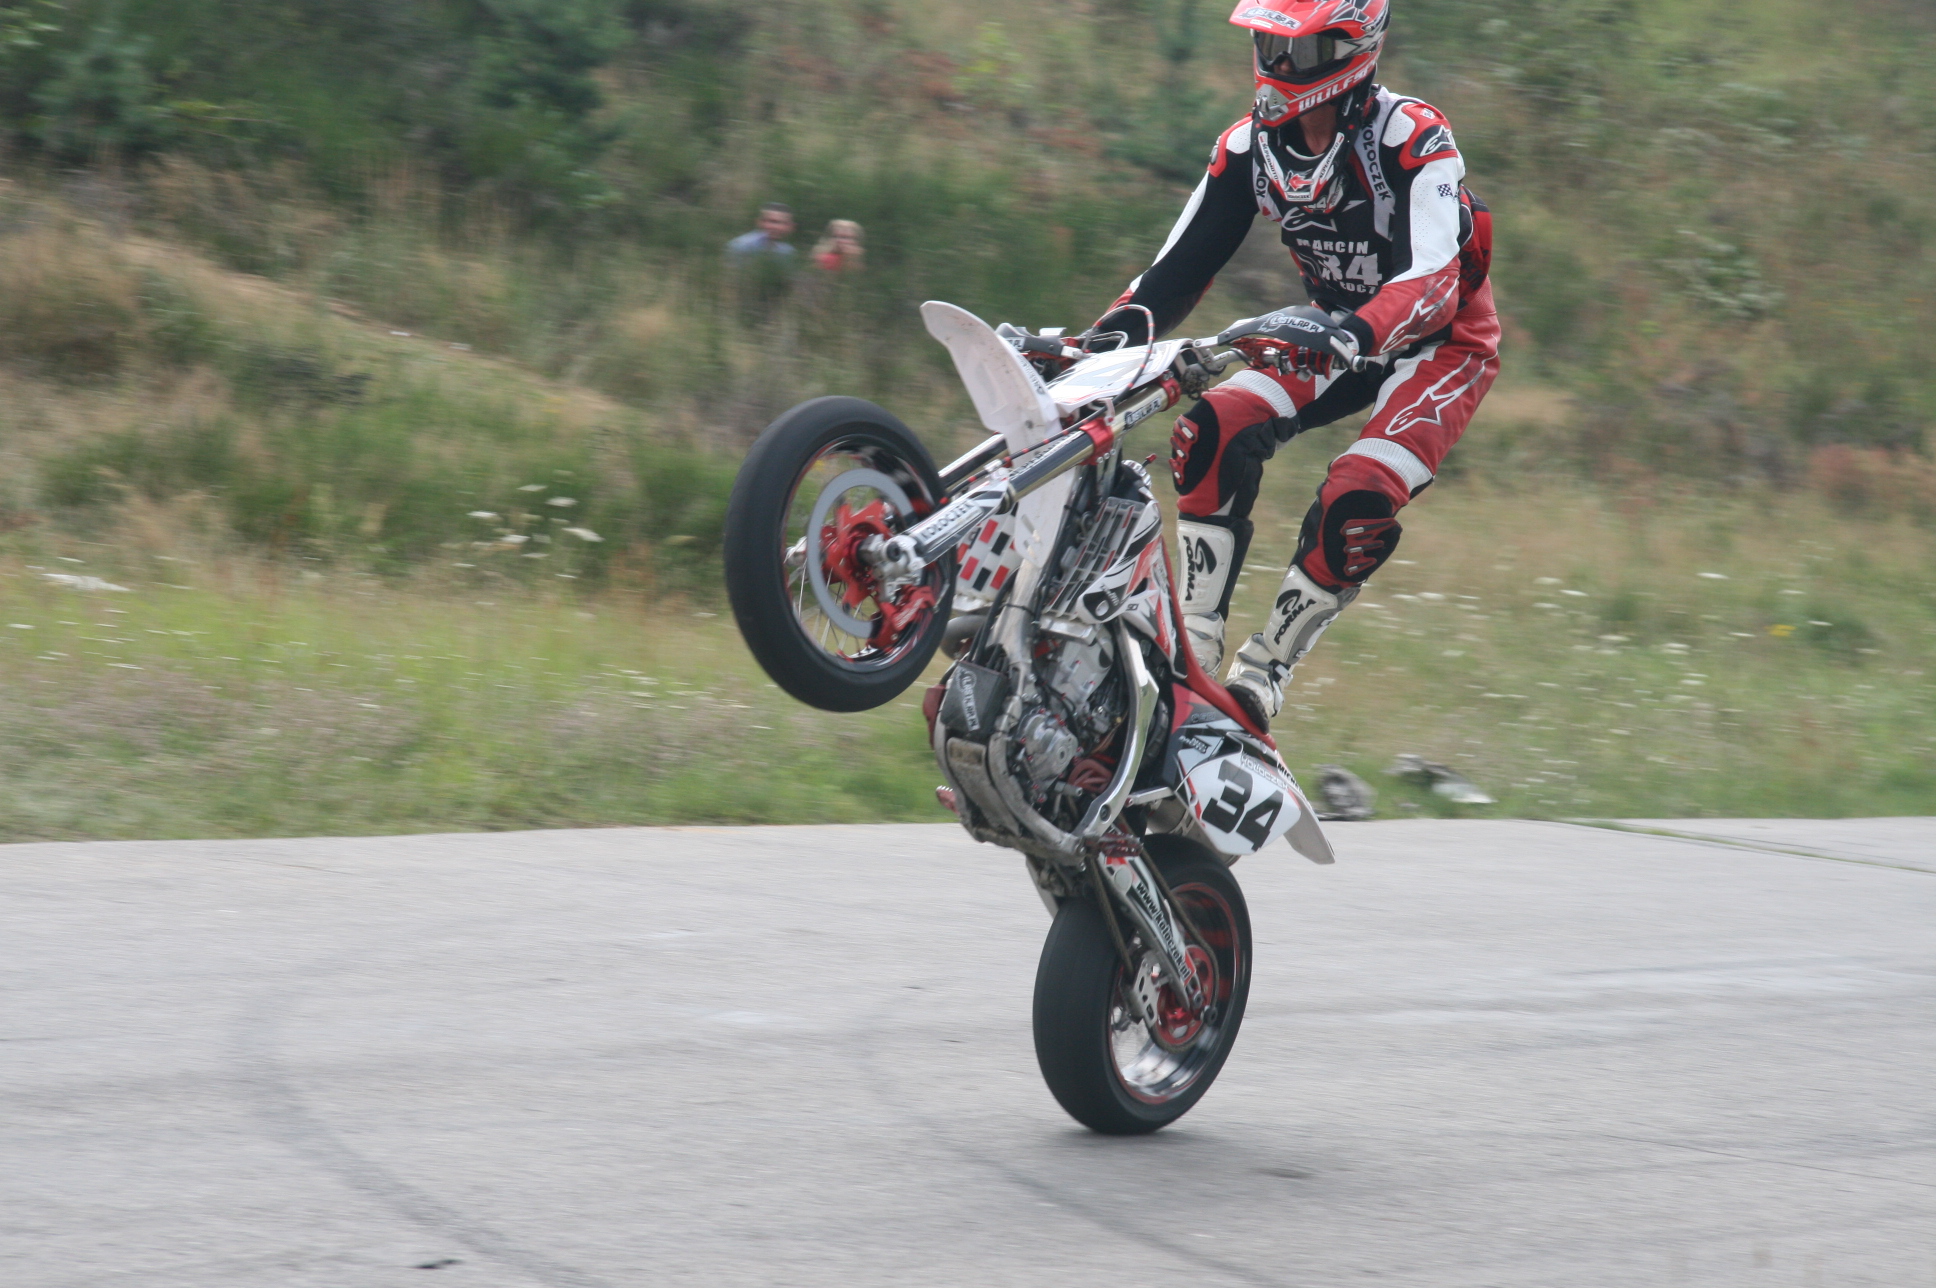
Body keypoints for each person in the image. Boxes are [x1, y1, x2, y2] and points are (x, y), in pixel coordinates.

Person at [1088, 0, 1497, 732]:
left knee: (1359, 496)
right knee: (1213, 428)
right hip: (1336, 327)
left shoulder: (1414, 137)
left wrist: (1358, 331)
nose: (1278, 67)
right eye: (1268, 46)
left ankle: (1264, 672)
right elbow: (1172, 275)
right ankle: (1193, 645)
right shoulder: (1246, 148)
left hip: (1442, 342)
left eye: (1300, 53)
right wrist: (1095, 350)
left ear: (1353, 49)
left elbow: (1433, 278)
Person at [725, 203, 798, 262]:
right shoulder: (741, 246)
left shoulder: (787, 252)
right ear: (759, 222)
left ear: (791, 226)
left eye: (784, 223)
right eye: (772, 222)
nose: (777, 227)